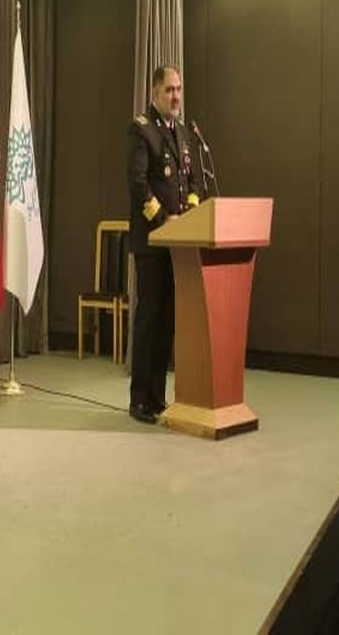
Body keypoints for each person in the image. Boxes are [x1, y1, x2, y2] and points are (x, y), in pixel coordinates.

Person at [126, 65, 206, 424]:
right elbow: (137, 184)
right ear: (156, 93)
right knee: (149, 319)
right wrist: (163, 221)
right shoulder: (142, 130)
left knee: (167, 322)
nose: (176, 96)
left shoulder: (183, 133)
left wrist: (190, 215)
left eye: (179, 89)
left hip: (179, 246)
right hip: (151, 244)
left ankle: (158, 398)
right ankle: (139, 400)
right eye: (170, 90)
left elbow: (193, 183)